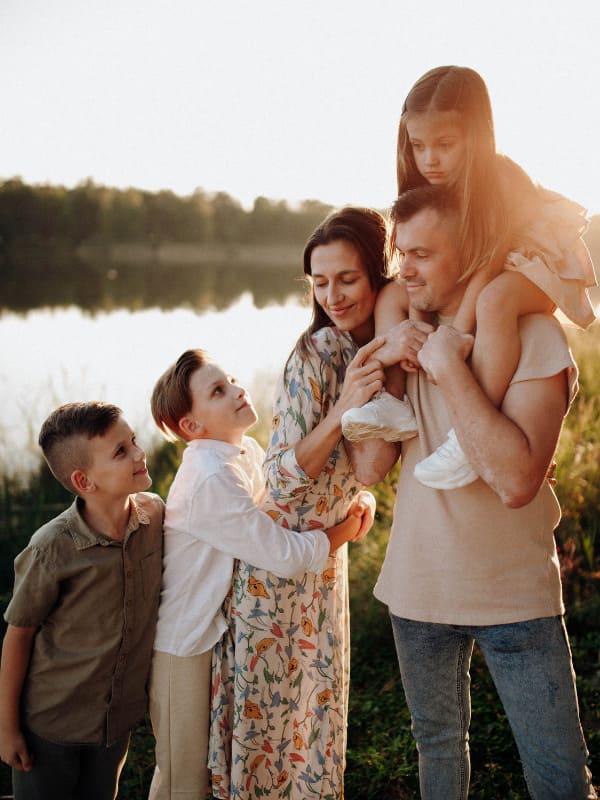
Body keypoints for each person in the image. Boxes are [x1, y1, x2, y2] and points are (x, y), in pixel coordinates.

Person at [353, 185, 596, 799]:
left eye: (423, 254)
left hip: (515, 597)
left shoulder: (534, 335)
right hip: (417, 591)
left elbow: (515, 482)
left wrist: (449, 366)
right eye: (401, 252)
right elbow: (370, 467)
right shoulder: (404, 337)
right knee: (437, 752)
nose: (405, 270)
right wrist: (374, 370)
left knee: (559, 777)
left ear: (470, 253)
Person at [209, 207, 430, 799]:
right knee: (273, 736)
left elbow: (365, 465)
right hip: (274, 574)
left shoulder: (367, 343)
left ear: (376, 274)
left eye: (347, 279)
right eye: (320, 282)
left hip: (322, 565)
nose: (332, 296)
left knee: (313, 726)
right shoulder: (317, 351)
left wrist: (356, 496)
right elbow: (280, 480)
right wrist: (342, 410)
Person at [342, 65, 597, 491]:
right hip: (494, 267)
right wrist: (416, 331)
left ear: (475, 135)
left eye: (445, 145)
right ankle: (392, 402)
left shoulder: (498, 178)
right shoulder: (428, 188)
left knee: (494, 302)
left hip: (538, 263)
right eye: (418, 146)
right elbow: (421, 269)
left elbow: (489, 265)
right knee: (391, 295)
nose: (430, 159)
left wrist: (452, 336)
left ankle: (468, 437)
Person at [146, 348, 376, 800]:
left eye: (231, 379)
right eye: (218, 391)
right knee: (181, 779)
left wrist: (350, 499)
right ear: (192, 425)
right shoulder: (209, 477)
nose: (237, 390)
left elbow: (283, 511)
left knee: (211, 769)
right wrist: (346, 530)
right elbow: (281, 552)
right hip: (183, 645)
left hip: (218, 637)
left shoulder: (244, 452)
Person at [0, 401, 164, 800]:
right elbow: (19, 636)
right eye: (121, 451)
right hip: (52, 724)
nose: (139, 453)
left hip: (115, 724)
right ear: (84, 481)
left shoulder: (155, 516)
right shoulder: (51, 548)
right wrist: (7, 729)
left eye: (134, 441)